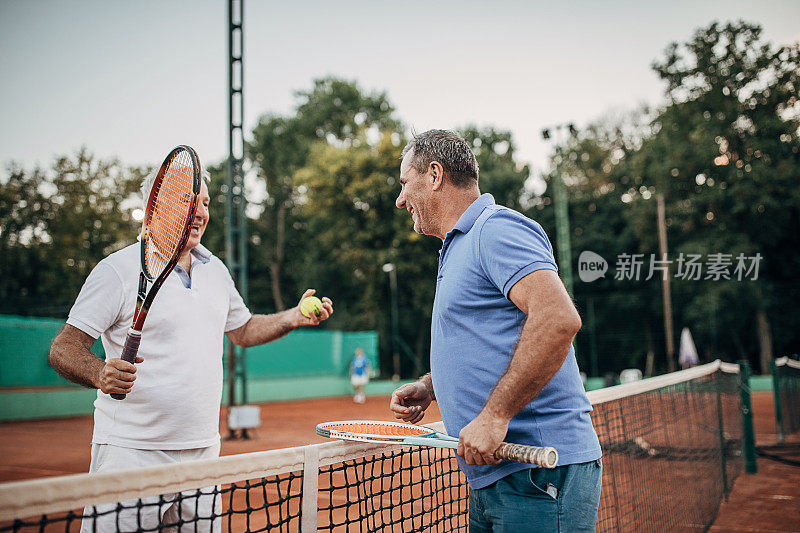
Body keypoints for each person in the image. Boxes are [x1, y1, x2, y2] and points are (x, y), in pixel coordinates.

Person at [48, 169, 334, 532]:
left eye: (205, 202)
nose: (201, 212)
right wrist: (99, 372)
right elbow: (64, 347)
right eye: (189, 200)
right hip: (132, 454)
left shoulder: (215, 270)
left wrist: (292, 316)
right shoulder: (117, 270)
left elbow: (242, 330)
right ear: (156, 206)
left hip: (202, 456)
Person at [389, 130, 601, 532]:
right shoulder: (460, 244)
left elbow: (558, 318)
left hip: (537, 473)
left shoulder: (495, 229)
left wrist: (495, 415)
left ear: (434, 175)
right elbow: (494, 340)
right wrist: (434, 385)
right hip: (500, 476)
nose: (401, 200)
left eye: (404, 183)